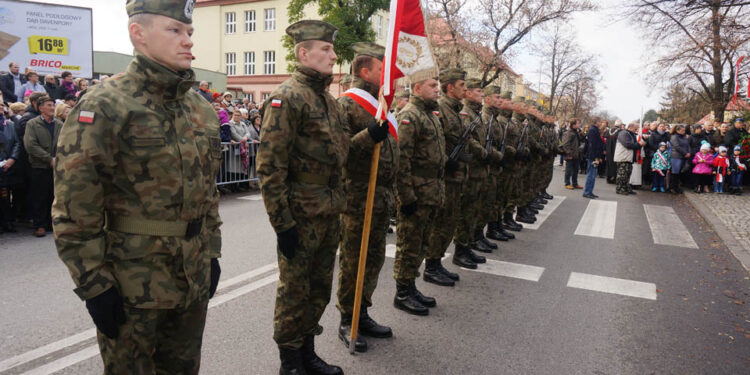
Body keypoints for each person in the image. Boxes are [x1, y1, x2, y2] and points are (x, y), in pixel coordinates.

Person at [52, 1, 223, 373]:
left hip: (191, 275)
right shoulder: (106, 104)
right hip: (133, 285)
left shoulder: (198, 108)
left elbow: (208, 195)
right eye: (174, 31)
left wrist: (211, 252)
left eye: (189, 32)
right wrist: (94, 285)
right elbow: (74, 208)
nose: (188, 41)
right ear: (138, 34)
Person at [256, 20, 348, 375]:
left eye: (332, 49)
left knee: (319, 288)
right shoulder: (288, 97)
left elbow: (337, 156)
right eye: (326, 49)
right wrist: (282, 223)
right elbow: (270, 166)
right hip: (301, 213)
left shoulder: (328, 100)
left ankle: (308, 352)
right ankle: (290, 362)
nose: (333, 55)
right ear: (303, 53)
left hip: (329, 211)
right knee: (294, 290)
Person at [333, 42, 394, 353]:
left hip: (381, 196)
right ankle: (348, 318)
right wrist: (370, 134)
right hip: (357, 196)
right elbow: (340, 151)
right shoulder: (346, 104)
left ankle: (363, 310)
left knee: (374, 258)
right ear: (365, 71)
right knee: (354, 260)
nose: (387, 75)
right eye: (382, 69)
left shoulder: (382, 104)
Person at [393, 73, 447, 318]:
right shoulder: (409, 116)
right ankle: (402, 292)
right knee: (408, 244)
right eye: (432, 86)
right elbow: (400, 160)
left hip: (431, 190)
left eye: (438, 86)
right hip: (416, 192)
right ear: (417, 88)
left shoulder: (430, 115)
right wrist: (406, 196)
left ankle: (411, 286)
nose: (438, 90)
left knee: (422, 242)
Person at [423, 68, 469, 288]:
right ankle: (431, 266)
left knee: (450, 222)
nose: (465, 89)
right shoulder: (441, 110)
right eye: (462, 85)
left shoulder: (456, 111)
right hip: (445, 176)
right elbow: (435, 143)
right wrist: (444, 161)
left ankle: (437, 261)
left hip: (456, 175)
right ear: (450, 87)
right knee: (441, 224)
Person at [23, 96, 60, 237]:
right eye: (49, 105)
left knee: (54, 196)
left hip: (56, 167)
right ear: (41, 108)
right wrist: (48, 158)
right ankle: (40, 225)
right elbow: (30, 145)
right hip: (39, 166)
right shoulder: (32, 124)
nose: (52, 108)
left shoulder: (59, 124)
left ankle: (51, 223)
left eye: (53, 105)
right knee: (39, 196)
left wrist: (58, 158)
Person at [0, 108, 20, 233]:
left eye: (2, 104)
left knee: (5, 195)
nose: (1, 107)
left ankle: (7, 222)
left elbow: (17, 143)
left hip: (7, 165)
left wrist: (12, 158)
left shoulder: (10, 124)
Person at [614, 123, 646, 195]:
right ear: (630, 127)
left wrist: (639, 145)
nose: (637, 130)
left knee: (627, 174)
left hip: (629, 157)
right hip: (623, 157)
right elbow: (627, 145)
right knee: (622, 174)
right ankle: (620, 189)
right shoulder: (624, 133)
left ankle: (626, 188)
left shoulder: (631, 134)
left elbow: (634, 146)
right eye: (636, 128)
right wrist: (639, 144)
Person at [583, 119, 605, 199]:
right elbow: (592, 145)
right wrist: (595, 158)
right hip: (593, 156)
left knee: (593, 175)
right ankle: (587, 192)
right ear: (596, 122)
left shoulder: (595, 130)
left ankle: (590, 191)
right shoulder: (592, 130)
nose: (601, 123)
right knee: (591, 175)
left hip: (595, 156)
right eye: (600, 122)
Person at [669, 124, 690, 193]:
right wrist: (685, 153)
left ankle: (677, 187)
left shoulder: (684, 137)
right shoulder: (674, 137)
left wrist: (688, 152)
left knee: (679, 173)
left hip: (683, 157)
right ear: (678, 130)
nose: (684, 132)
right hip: (676, 156)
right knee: (675, 172)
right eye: (682, 130)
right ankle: (672, 187)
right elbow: (677, 146)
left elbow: (687, 145)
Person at [561, 119, 581, 189]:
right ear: (573, 125)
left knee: (575, 170)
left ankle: (575, 183)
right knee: (568, 170)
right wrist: (569, 154)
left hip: (575, 154)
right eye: (578, 123)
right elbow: (565, 144)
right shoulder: (568, 133)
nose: (579, 125)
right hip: (570, 155)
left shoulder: (575, 132)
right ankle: (567, 183)